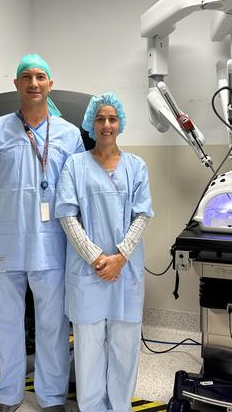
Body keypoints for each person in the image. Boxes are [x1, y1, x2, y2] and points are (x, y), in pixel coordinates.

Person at [0, 54, 84, 412]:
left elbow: (78, 191)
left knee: (53, 324)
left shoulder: (69, 135)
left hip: (52, 243)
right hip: (5, 241)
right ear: (16, 84)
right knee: (5, 322)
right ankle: (8, 394)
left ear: (50, 84)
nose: (33, 83)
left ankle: (51, 396)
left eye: (40, 77)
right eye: (26, 77)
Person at [55, 93, 153, 412]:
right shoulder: (75, 165)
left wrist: (120, 257)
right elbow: (67, 216)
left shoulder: (137, 167)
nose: (107, 124)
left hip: (126, 270)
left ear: (120, 123)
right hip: (89, 271)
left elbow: (142, 216)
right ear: (91, 125)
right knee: (88, 349)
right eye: (100, 119)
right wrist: (97, 258)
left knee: (125, 347)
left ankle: (120, 406)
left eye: (112, 118)